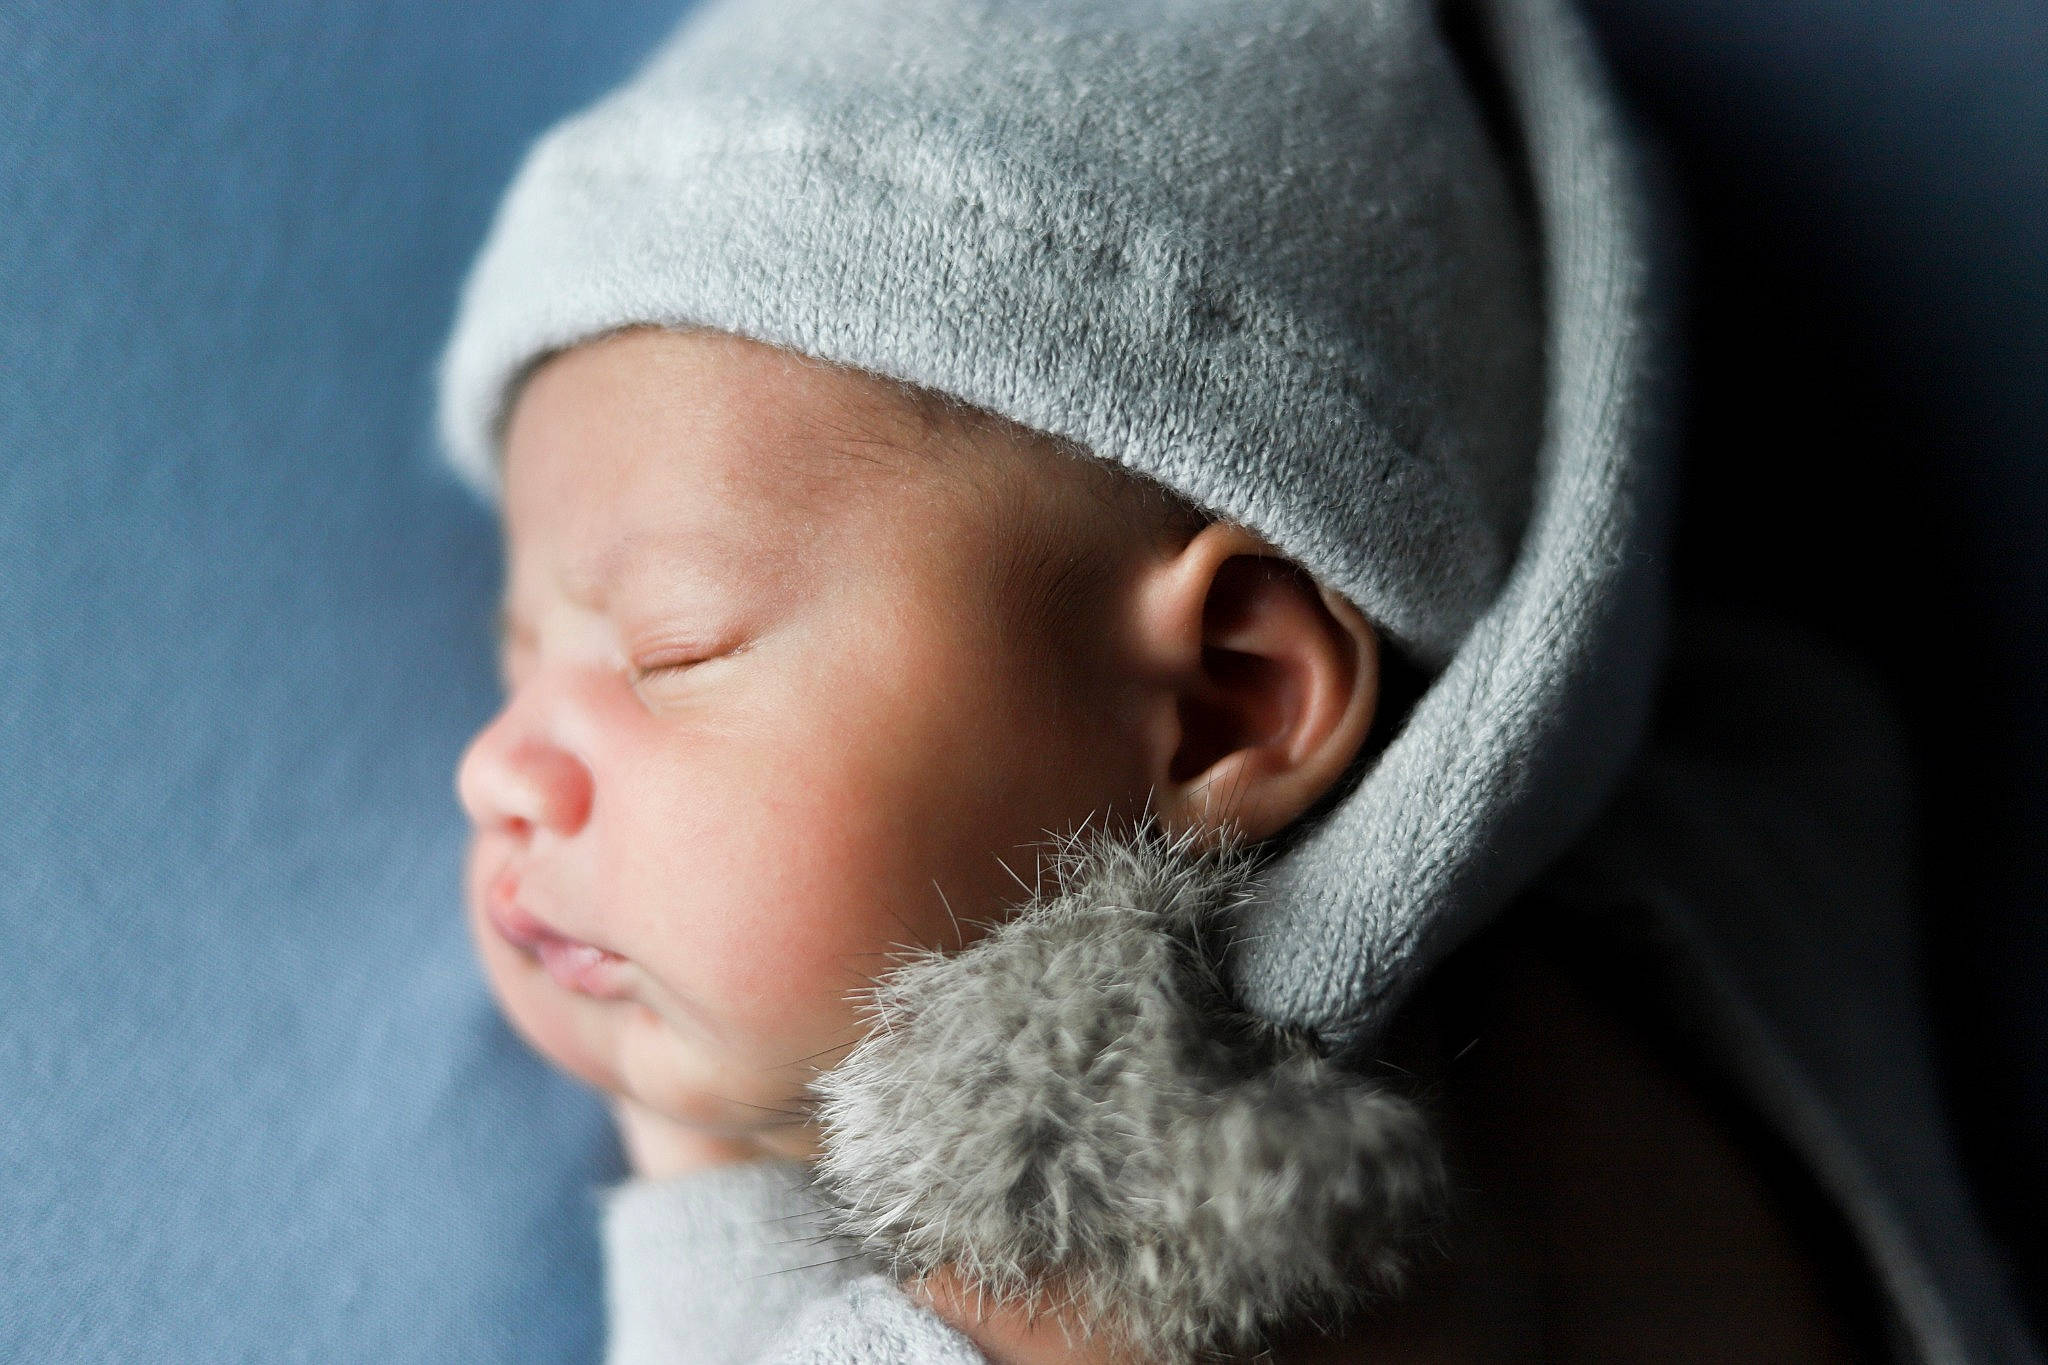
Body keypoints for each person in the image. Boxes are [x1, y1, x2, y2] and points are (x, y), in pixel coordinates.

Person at [435, 0, 2037, 1360]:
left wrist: (712, 1193)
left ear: (1232, 698)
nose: (498, 764)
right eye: (521, 657)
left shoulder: (1302, 1222)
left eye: (671, 647)